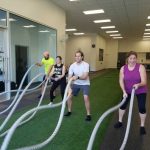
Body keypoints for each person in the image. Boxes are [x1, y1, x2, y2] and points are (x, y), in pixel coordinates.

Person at [114, 51, 147, 135]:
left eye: (134, 58)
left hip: (140, 90)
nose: (132, 60)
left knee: (142, 107)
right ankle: (120, 121)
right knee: (122, 105)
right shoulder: (123, 68)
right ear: (127, 59)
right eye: (130, 58)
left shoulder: (141, 67)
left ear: (136, 59)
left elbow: (144, 82)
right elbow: (121, 80)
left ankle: (142, 126)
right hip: (128, 90)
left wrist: (138, 85)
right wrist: (124, 91)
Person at [64, 50, 91, 121]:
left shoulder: (86, 64)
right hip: (76, 83)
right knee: (69, 96)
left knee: (86, 97)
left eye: (79, 56)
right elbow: (69, 77)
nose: (77, 57)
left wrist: (77, 77)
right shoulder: (72, 65)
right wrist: (69, 87)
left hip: (85, 83)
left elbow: (85, 76)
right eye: (76, 56)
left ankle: (88, 114)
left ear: (82, 57)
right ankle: (69, 111)